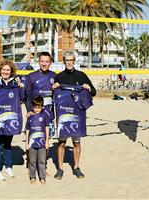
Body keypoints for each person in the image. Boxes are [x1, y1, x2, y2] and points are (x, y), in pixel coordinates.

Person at [53, 50, 96, 180]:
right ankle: (60, 169)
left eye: (71, 61)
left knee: (76, 143)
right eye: (67, 61)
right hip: (64, 115)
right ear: (64, 62)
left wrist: (88, 87)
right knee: (61, 143)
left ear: (74, 61)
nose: (69, 63)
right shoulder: (59, 77)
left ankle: (76, 167)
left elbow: (93, 92)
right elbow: (53, 95)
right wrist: (54, 87)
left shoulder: (82, 75)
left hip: (77, 115)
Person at [0, 59, 24, 181]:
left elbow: (23, 98)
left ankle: (8, 167)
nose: (5, 72)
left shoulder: (16, 86)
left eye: (8, 70)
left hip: (10, 119)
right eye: (3, 69)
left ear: (12, 71)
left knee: (8, 144)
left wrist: (22, 87)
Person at [25, 96, 49, 184]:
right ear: (32, 106)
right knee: (32, 161)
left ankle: (42, 178)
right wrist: (27, 143)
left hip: (42, 143)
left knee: (42, 161)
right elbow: (27, 130)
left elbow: (47, 128)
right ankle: (32, 177)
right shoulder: (30, 116)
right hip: (32, 143)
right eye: (35, 107)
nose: (37, 109)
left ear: (42, 107)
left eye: (39, 107)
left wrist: (47, 141)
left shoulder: (45, 115)